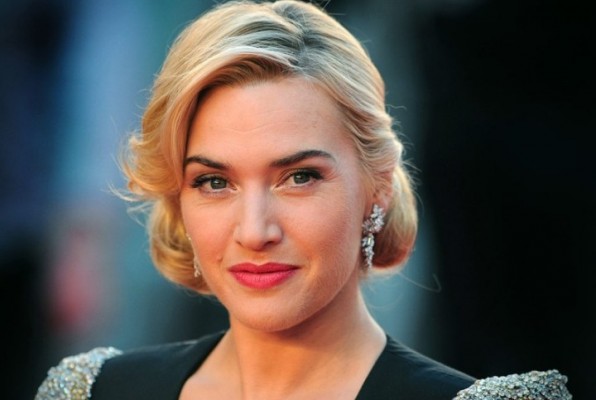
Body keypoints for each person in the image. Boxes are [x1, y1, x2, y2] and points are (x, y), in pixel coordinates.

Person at [35, 1, 571, 399]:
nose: (255, 230)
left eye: (299, 177)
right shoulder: (92, 392)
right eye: (215, 182)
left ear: (379, 186)